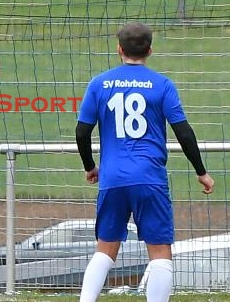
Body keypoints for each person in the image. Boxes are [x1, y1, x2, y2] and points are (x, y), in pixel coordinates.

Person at [75, 22, 215, 301]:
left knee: (105, 248)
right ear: (150, 50)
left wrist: (90, 167)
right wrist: (201, 172)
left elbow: (82, 131)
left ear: (119, 49)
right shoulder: (161, 84)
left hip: (113, 179)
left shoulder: (99, 83)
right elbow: (184, 132)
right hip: (150, 179)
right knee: (160, 251)